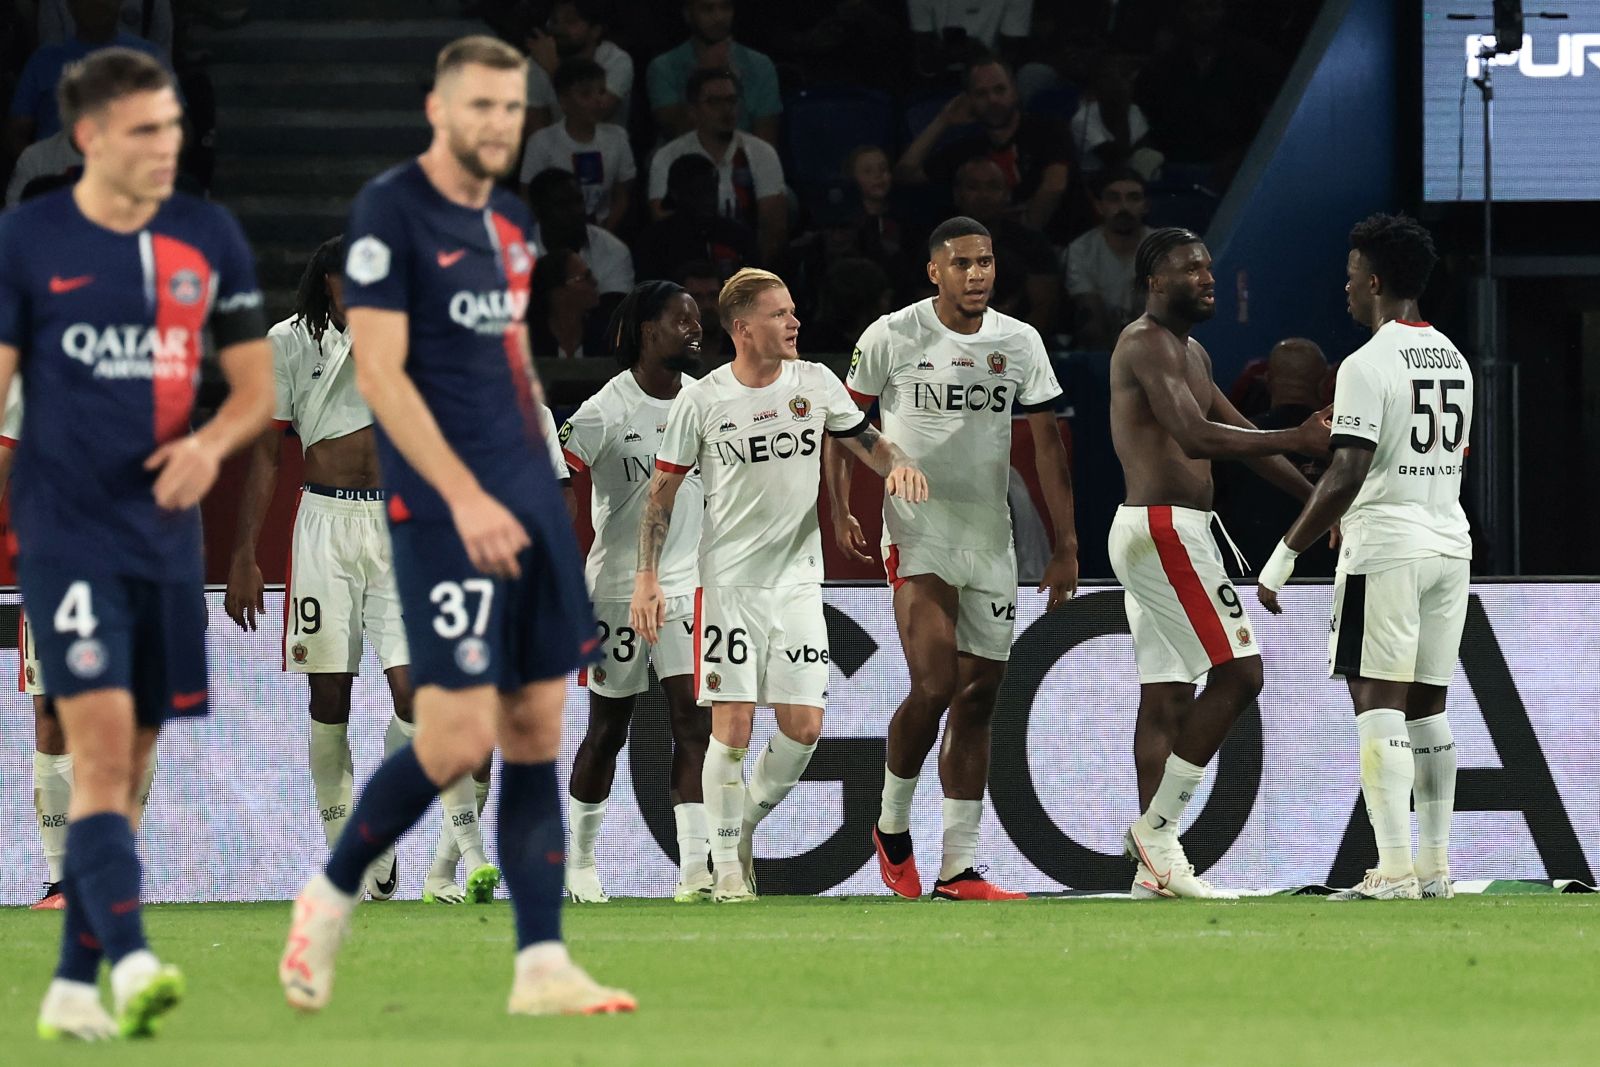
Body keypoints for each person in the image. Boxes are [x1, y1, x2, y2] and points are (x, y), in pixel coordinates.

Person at [276, 36, 632, 1018]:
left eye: (510, 110)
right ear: (439, 112)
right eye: (478, 107)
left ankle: (540, 961)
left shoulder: (512, 224)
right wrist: (466, 495)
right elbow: (383, 373)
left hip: (521, 491)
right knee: (458, 728)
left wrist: (538, 478)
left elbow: (508, 361)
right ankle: (330, 892)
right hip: (439, 505)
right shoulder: (388, 214)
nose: (496, 125)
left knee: (531, 727)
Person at [0, 47, 272, 1039]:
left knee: (131, 758)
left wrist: (208, 444)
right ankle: (130, 952)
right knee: (100, 742)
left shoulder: (207, 241)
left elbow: (254, 391)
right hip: (69, 530)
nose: (167, 146)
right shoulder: (29, 242)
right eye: (143, 129)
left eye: (171, 127)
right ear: (89, 138)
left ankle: (74, 982)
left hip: (165, 536)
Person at [630, 267, 927, 902]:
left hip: (797, 583)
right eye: (780, 314)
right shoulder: (702, 400)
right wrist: (647, 578)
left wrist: (898, 465)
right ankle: (728, 876)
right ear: (743, 329)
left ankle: (735, 833)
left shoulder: (816, 384)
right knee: (731, 726)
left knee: (804, 727)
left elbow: (866, 442)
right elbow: (660, 495)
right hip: (729, 584)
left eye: (793, 311)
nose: (795, 322)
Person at [222, 236, 486, 906]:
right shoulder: (287, 341)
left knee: (414, 696)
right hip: (323, 527)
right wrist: (244, 552)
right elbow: (265, 454)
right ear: (328, 281)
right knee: (328, 699)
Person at [827, 216, 1078, 902]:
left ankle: (958, 868)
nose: (978, 274)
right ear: (934, 270)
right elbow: (843, 422)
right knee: (935, 684)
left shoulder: (1019, 342)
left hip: (990, 539)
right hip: (918, 531)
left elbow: (1049, 447)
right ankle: (891, 824)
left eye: (987, 261)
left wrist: (1065, 545)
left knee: (978, 699)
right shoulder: (892, 334)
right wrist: (845, 503)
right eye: (963, 263)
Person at [1106, 227, 1328, 899]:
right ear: (1154, 281)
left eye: (1208, 265)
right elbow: (1195, 434)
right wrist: (1301, 432)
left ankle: (1157, 872)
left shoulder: (1191, 350)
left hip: (1167, 531)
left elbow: (1254, 443)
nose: (1207, 276)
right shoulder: (1143, 342)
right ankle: (1158, 831)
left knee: (1168, 694)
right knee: (1240, 674)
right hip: (1165, 531)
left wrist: (1320, 502)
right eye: (1189, 268)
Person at [1258, 214, 1471, 902]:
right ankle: (1435, 866)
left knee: (1376, 700)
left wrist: (1285, 552)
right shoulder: (1455, 359)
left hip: (1387, 547)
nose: (1345, 287)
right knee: (1429, 706)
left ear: (1375, 281)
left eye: (1351, 275)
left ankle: (1394, 869)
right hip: (1448, 540)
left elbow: (1348, 470)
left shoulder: (1365, 364)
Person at [559, 281, 711, 902]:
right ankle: (580, 861)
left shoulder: (708, 401)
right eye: (684, 322)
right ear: (650, 332)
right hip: (617, 589)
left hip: (689, 587)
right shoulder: (603, 410)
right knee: (608, 728)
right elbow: (553, 476)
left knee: (693, 724)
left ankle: (696, 870)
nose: (697, 332)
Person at [896, 56, 1071, 232]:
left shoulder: (1048, 130)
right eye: (981, 93)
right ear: (969, 100)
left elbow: (1055, 185)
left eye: (1000, 90)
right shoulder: (969, 148)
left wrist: (1023, 236)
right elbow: (906, 173)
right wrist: (943, 120)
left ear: (1015, 92)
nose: (992, 100)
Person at [1212, 338, 1336, 577]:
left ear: (1267, 381)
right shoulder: (1345, 443)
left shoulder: (1232, 442)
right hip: (1325, 582)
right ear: (1324, 383)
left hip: (1246, 579)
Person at [647, 68, 786, 264]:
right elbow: (663, 221)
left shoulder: (761, 152)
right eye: (714, 102)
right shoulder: (668, 156)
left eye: (731, 100)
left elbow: (774, 227)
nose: (726, 109)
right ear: (693, 110)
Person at [5, 0, 171, 161]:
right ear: (70, 5)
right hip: (57, 179)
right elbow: (16, 133)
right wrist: (38, 170)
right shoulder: (44, 59)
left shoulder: (149, 56)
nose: (97, 4)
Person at [518, 58, 636, 232]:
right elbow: (527, 199)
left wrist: (603, 234)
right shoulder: (541, 142)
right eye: (586, 94)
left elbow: (622, 196)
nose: (598, 101)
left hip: (603, 231)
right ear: (563, 101)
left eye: (602, 92)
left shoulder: (617, 137)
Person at [647, 0, 781, 145]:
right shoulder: (663, 67)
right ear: (688, 15)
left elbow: (765, 143)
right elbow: (676, 135)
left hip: (742, 161)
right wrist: (705, 74)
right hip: (685, 162)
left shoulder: (760, 65)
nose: (719, 17)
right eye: (707, 9)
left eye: (725, 7)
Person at [949, 158, 1058, 334]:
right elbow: (930, 308)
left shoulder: (1033, 244)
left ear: (1007, 194)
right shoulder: (939, 244)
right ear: (957, 194)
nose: (983, 195)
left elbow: (1043, 308)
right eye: (973, 187)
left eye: (993, 187)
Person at [634, 153, 758, 283]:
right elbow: (651, 295)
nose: (708, 200)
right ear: (676, 194)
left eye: (711, 191)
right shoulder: (655, 241)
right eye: (698, 192)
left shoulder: (737, 235)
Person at [1065, 168, 1151, 349]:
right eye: (1114, 198)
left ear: (1145, 205)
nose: (1124, 207)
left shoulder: (1164, 248)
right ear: (1099, 206)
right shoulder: (1081, 250)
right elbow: (1090, 314)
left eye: (1133, 198)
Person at [524, 0, 633, 133]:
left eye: (570, 21)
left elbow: (593, 114)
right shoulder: (537, 62)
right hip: (555, 150)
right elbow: (537, 132)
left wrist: (553, 68)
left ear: (595, 31)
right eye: (554, 20)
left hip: (606, 150)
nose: (558, 28)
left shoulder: (615, 60)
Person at [527, 167, 634, 298]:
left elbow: (615, 312)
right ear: (539, 211)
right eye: (563, 204)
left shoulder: (613, 250)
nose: (576, 211)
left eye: (578, 201)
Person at [529, 247, 603, 359]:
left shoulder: (605, 340)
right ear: (558, 293)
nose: (594, 282)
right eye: (585, 277)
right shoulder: (529, 345)